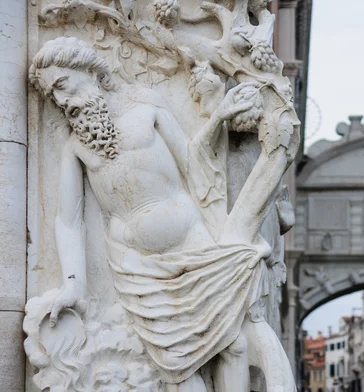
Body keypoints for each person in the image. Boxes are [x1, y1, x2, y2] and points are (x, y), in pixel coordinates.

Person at [29, 37, 295, 391]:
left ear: (90, 71)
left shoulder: (145, 106)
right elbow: (67, 220)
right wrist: (72, 285)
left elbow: (192, 161)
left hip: (192, 243)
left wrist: (220, 117)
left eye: (62, 84)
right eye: (52, 95)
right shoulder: (75, 146)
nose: (61, 100)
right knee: (177, 366)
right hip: (137, 268)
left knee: (233, 342)